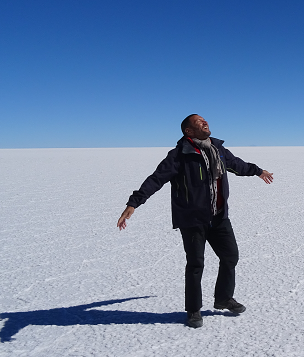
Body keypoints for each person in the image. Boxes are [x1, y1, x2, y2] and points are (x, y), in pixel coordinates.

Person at [116, 114, 273, 328]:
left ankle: (223, 298)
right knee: (196, 264)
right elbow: (156, 179)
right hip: (192, 220)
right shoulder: (179, 154)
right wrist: (134, 203)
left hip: (218, 217)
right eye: (198, 121)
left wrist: (257, 171)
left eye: (204, 120)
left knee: (230, 257)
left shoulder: (218, 149)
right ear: (188, 131)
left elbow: (237, 165)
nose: (205, 122)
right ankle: (193, 310)